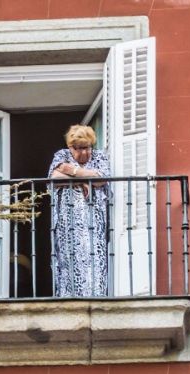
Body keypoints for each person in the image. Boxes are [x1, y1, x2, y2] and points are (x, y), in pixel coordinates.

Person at [48, 124, 112, 298]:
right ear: (70, 147)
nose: (83, 153)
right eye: (78, 148)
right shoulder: (61, 155)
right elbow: (54, 178)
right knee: (69, 258)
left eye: (86, 148)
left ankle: (95, 296)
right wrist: (81, 181)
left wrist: (72, 170)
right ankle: (69, 297)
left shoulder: (99, 157)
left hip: (94, 219)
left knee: (95, 259)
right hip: (67, 222)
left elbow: (101, 179)